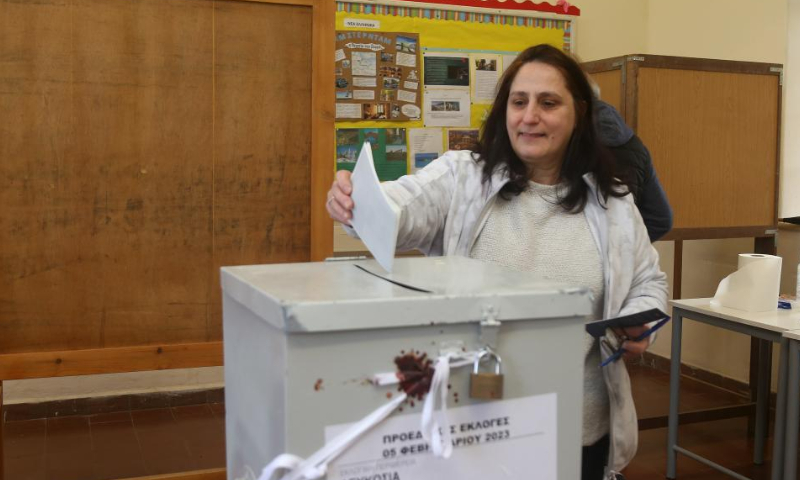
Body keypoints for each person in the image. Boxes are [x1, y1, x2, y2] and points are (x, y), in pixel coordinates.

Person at [326, 44, 667, 480]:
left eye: (548, 103)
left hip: (579, 426)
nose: (529, 116)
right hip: (475, 426)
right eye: (519, 102)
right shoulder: (463, 176)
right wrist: (358, 203)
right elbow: (403, 206)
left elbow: (648, 281)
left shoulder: (612, 200)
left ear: (579, 113)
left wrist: (638, 321)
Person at [593, 98, 673, 242]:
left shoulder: (565, 145)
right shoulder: (636, 146)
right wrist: (628, 248)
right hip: (622, 260)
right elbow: (661, 219)